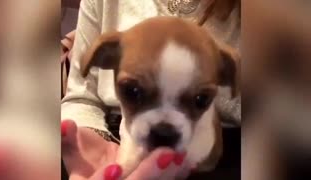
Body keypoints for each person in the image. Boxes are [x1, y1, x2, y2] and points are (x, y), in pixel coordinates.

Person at [61, 0, 240, 179]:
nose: (163, 126)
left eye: (200, 100)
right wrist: (89, 135)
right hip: (110, 138)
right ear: (104, 56)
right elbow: (80, 96)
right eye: (134, 92)